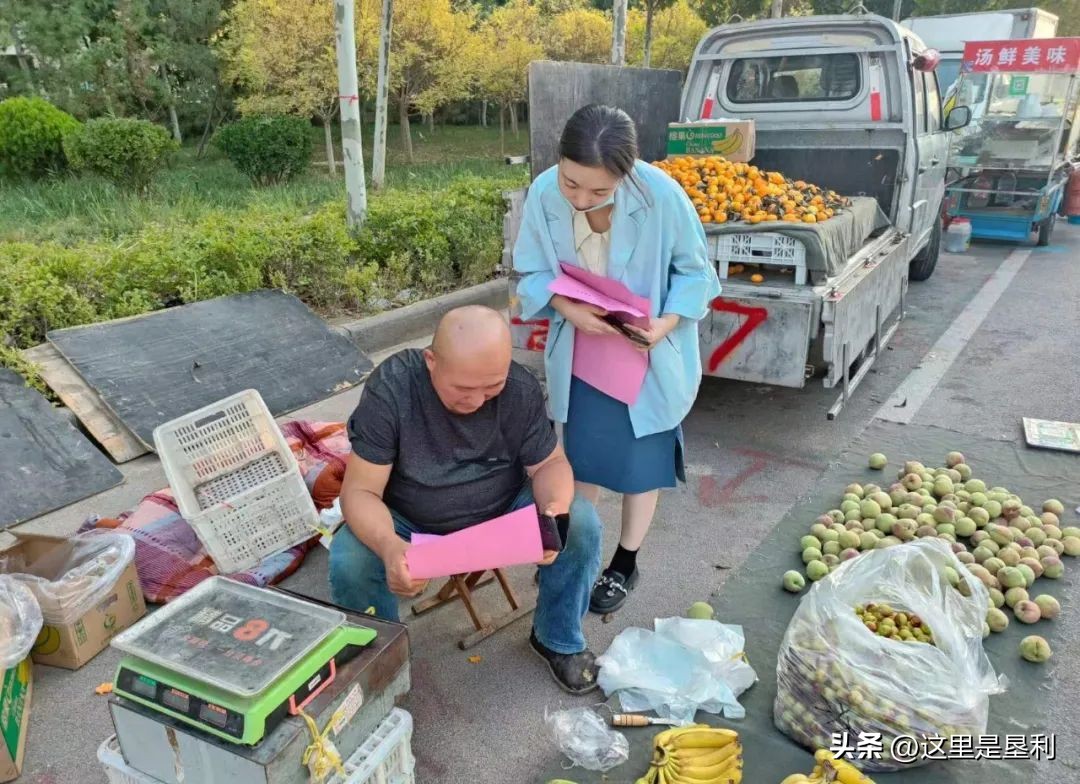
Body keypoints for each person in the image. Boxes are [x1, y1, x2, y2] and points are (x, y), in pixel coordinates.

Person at [329, 305, 604, 693]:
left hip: (499, 510)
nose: (477, 400)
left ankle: (557, 639)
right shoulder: (392, 388)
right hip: (409, 517)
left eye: (491, 387)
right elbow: (360, 491)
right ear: (431, 361)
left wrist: (553, 511)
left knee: (581, 521)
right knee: (351, 559)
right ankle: (380, 664)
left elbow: (550, 464)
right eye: (462, 389)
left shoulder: (519, 388)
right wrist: (390, 546)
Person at [512, 104, 721, 615]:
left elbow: (697, 274)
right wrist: (568, 307)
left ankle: (625, 563)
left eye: (599, 191)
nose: (581, 200)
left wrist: (664, 325)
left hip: (644, 353)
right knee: (579, 459)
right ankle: (575, 556)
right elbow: (531, 270)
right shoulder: (543, 193)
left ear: (626, 175)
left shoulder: (661, 196)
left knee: (639, 466)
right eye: (571, 183)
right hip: (583, 348)